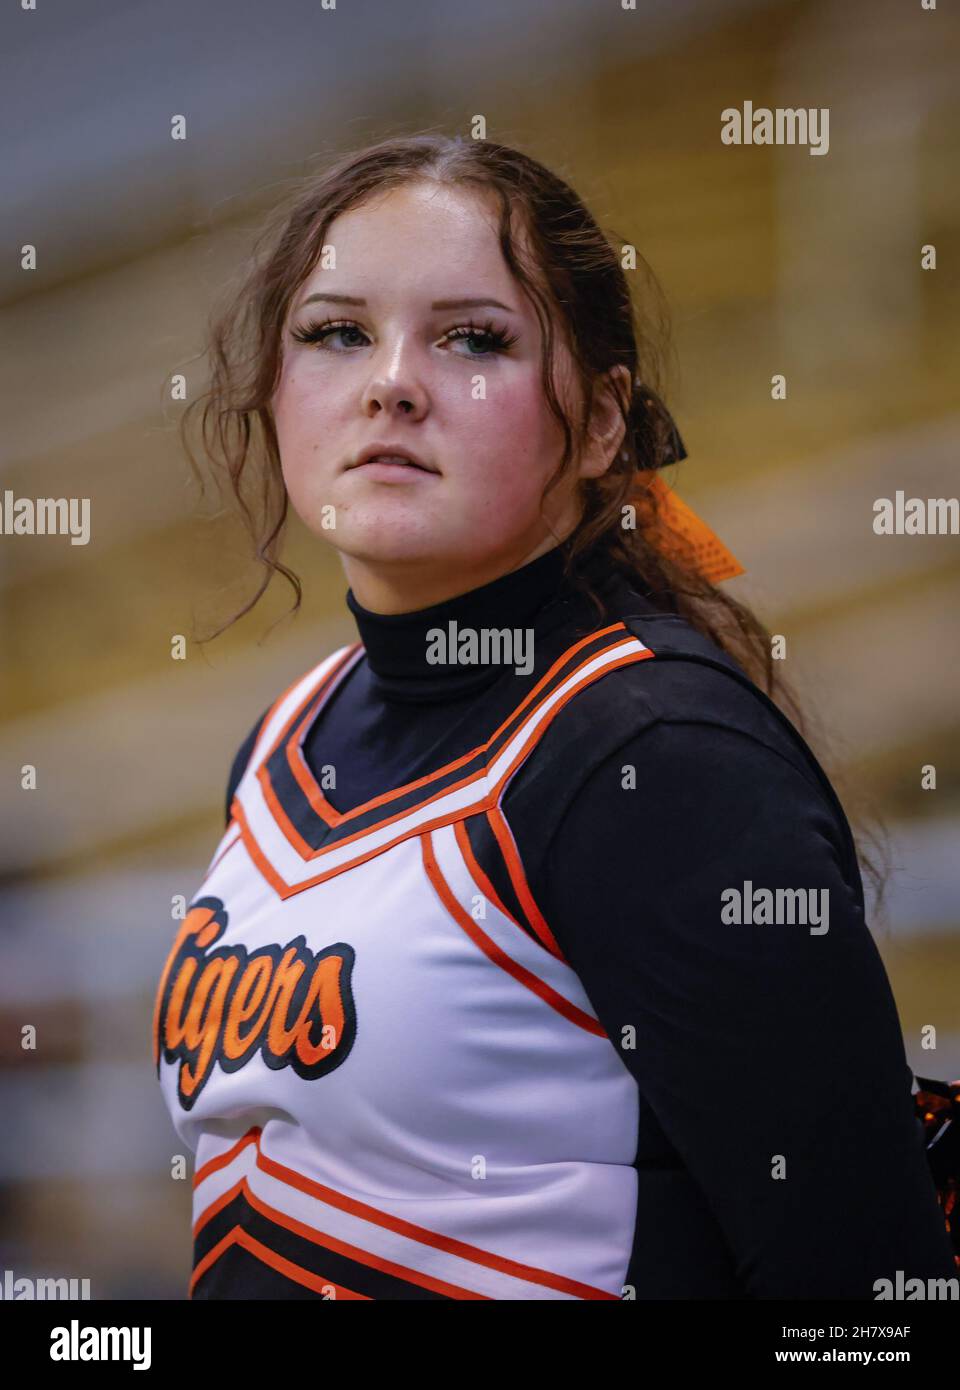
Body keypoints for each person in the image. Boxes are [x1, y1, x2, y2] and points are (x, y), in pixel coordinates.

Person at [153, 134, 956, 1300]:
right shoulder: (286, 735)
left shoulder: (655, 755)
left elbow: (869, 1294)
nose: (391, 381)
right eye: (335, 332)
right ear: (273, 396)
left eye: (474, 338)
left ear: (598, 425)